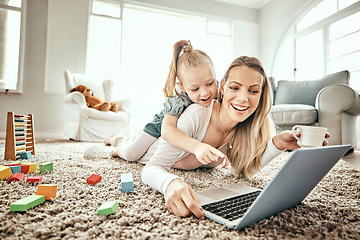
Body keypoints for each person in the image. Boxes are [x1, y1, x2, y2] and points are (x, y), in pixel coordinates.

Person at [139, 56, 329, 219]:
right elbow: (152, 168)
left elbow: (242, 172)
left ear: (261, 96)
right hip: (148, 150)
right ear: (222, 87)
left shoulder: (242, 129)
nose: (243, 98)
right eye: (235, 88)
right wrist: (170, 183)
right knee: (126, 150)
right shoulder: (197, 114)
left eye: (253, 91)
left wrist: (277, 144)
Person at [85, 40, 224, 164]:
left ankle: (121, 139)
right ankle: (115, 147)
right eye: (195, 89)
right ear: (181, 87)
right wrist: (195, 146)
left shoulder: (219, 90)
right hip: (158, 127)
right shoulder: (177, 101)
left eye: (210, 83)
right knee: (131, 154)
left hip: (186, 132)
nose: (205, 92)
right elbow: (167, 131)